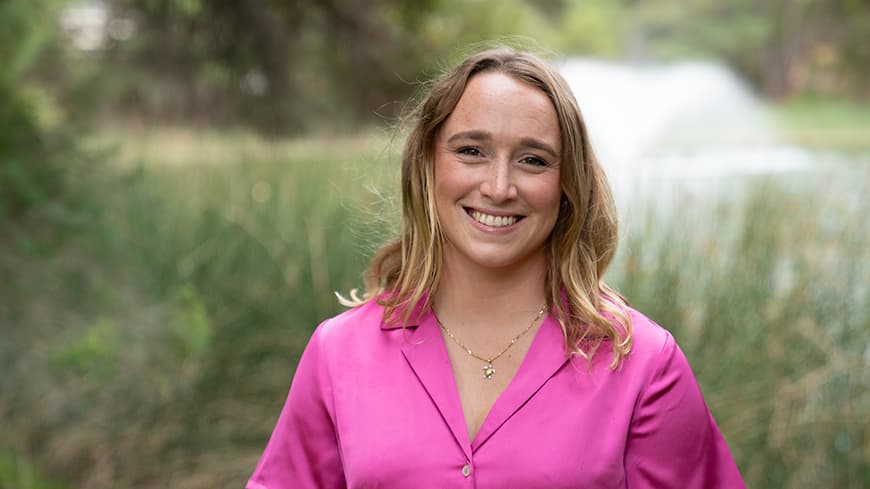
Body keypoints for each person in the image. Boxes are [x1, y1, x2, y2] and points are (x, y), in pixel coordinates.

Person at [246, 46, 746, 489]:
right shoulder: (338, 354)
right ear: (428, 164)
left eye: (532, 160)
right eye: (471, 151)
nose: (500, 186)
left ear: (567, 184)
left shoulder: (642, 365)